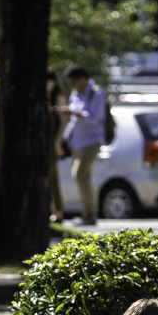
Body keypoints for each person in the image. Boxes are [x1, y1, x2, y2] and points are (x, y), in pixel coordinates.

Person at [62, 65, 107, 226]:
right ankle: (89, 214)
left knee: (79, 174)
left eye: (73, 82)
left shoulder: (96, 93)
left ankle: (89, 212)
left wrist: (76, 113)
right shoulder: (75, 94)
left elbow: (95, 118)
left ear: (82, 79)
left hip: (92, 140)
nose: (72, 86)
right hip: (77, 141)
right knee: (83, 178)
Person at [46, 71, 68, 222]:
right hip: (44, 143)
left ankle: (58, 211)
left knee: (50, 176)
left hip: (53, 143)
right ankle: (56, 211)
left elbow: (64, 122)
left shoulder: (58, 98)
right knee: (51, 177)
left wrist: (58, 142)